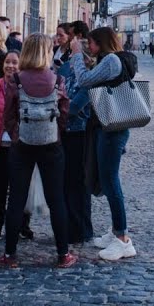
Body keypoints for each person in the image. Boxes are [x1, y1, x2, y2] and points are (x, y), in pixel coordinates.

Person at [0, 34, 75, 269]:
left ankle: (10, 255)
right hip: (52, 145)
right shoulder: (57, 79)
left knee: (16, 199)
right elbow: (65, 111)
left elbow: (8, 115)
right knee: (56, 199)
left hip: (22, 146)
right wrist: (55, 133)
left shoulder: (16, 80)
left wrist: (18, 133)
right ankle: (63, 254)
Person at [70, 26, 139, 261]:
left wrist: (77, 55)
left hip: (112, 129)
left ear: (101, 43)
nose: (89, 47)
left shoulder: (111, 60)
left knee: (111, 182)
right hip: (109, 126)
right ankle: (116, 231)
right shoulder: (112, 60)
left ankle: (123, 240)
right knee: (108, 180)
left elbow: (84, 80)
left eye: (91, 43)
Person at [0, 51, 33, 242]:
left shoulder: (26, 88)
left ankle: (21, 224)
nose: (10, 66)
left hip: (20, 147)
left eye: (14, 62)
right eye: (7, 62)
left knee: (21, 189)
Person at [59, 22, 94, 246]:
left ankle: (80, 230)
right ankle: (70, 227)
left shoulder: (89, 79)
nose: (70, 56)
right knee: (67, 183)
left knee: (78, 184)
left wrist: (59, 106)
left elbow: (75, 106)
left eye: (74, 54)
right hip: (65, 132)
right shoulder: (65, 70)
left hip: (80, 134)